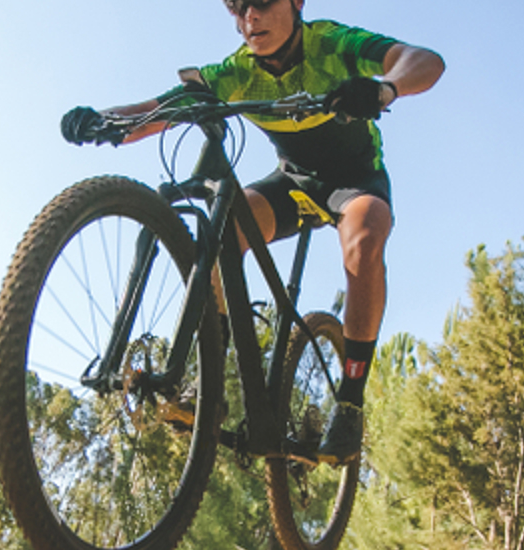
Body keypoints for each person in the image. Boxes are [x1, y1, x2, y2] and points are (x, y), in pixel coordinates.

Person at [60, 0, 444, 465]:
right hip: (294, 183)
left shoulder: (331, 43)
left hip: (354, 182)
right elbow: (163, 107)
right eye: (238, 9)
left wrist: (385, 89)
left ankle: (350, 401)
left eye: (261, 3)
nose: (250, 19)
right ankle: (211, 385)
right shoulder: (238, 70)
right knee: (222, 235)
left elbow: (424, 61)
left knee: (364, 239)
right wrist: (107, 121)